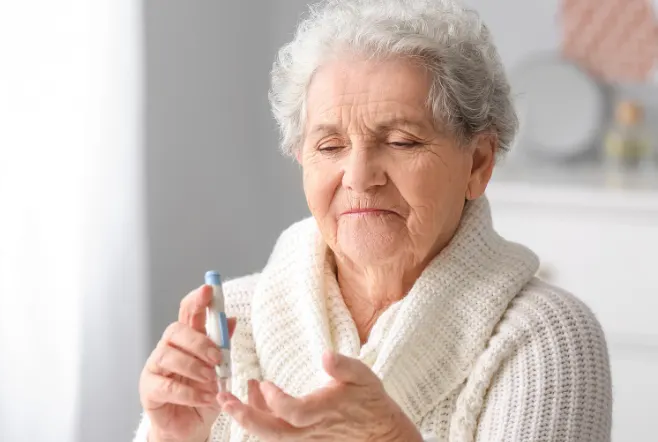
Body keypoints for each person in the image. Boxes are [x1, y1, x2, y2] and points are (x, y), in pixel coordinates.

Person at [134, 0, 612, 440]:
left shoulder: (549, 338)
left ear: (478, 163)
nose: (359, 178)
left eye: (402, 141)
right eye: (329, 146)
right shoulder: (228, 324)